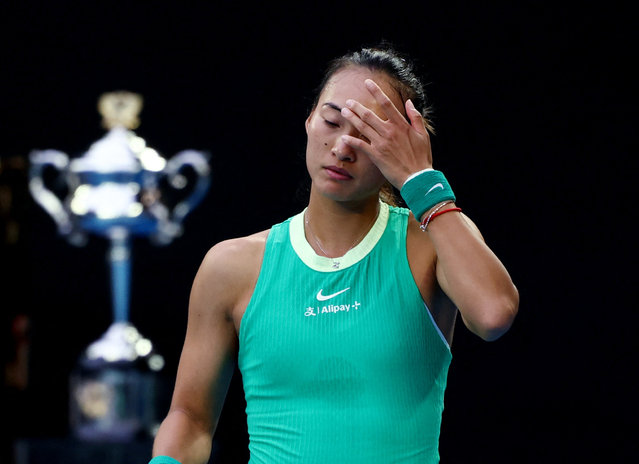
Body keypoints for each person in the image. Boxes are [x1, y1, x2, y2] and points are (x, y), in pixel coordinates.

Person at [150, 45, 519, 464]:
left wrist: (421, 180)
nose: (343, 147)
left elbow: (493, 315)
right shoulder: (231, 266)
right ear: (309, 120)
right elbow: (190, 417)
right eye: (332, 120)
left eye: (369, 135)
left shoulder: (432, 241)